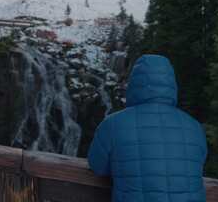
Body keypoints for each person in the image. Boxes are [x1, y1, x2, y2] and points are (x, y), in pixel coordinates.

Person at [88, 55, 207, 202]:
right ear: (171, 84)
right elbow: (194, 167)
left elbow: (97, 167)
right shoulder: (194, 127)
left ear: (134, 84)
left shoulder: (112, 124)